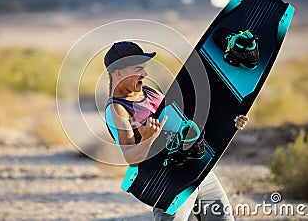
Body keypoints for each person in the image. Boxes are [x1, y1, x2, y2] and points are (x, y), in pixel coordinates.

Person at [104, 41, 249, 221]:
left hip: (198, 167)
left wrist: (229, 122)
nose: (145, 74)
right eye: (138, 68)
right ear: (118, 72)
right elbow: (130, 157)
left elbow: (186, 121)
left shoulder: (150, 92)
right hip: (168, 181)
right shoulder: (117, 109)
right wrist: (148, 139)